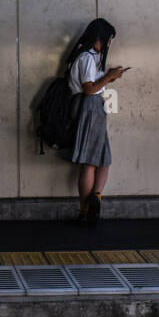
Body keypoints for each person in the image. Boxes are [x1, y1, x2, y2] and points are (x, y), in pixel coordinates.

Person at [65, 18, 127, 226]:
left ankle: (95, 200)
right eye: (108, 40)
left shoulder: (91, 57)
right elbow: (89, 89)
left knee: (103, 160)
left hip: (95, 109)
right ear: (98, 38)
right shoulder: (86, 58)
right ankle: (85, 210)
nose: (108, 44)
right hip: (90, 108)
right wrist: (109, 77)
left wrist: (108, 77)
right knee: (90, 162)